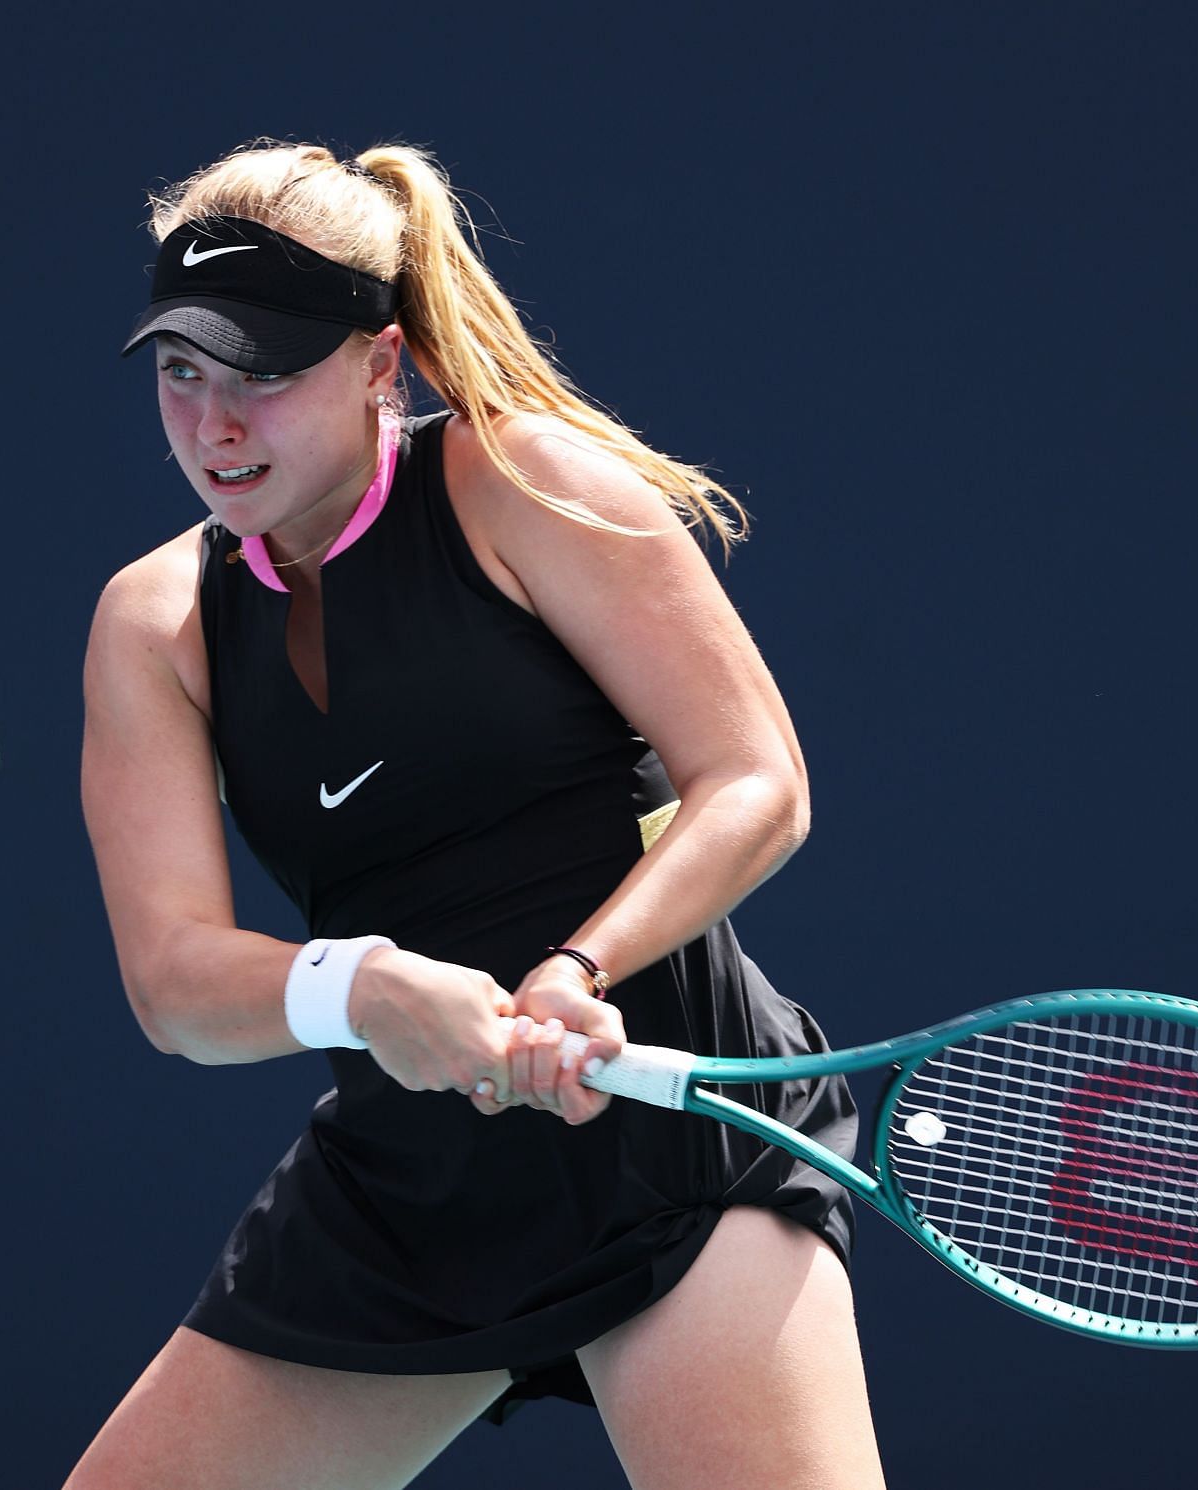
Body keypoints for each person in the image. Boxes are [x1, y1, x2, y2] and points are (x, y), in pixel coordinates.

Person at [68, 138, 887, 1490]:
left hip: (674, 1144)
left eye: (265, 373)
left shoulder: (522, 485)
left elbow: (758, 779)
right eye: (182, 370)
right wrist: (371, 988)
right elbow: (175, 986)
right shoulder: (153, 623)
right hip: (411, 1190)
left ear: (380, 364)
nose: (215, 424)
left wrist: (578, 970)